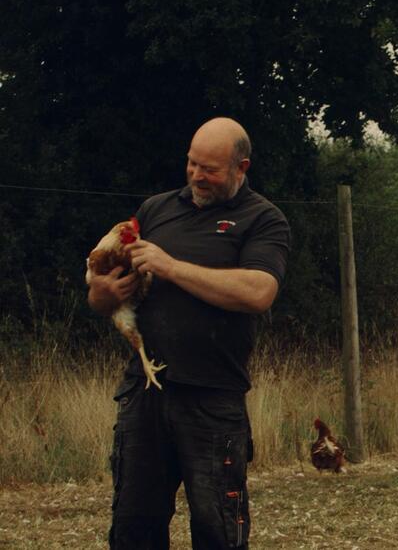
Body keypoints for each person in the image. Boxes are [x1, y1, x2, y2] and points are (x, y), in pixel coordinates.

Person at [87, 117, 291, 549]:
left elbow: (259, 292)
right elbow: (106, 301)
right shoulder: (156, 210)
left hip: (213, 400)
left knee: (219, 530)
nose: (197, 175)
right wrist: (102, 293)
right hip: (145, 393)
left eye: (210, 169)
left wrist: (171, 267)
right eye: (192, 163)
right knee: (133, 529)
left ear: (242, 168)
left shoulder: (262, 219)